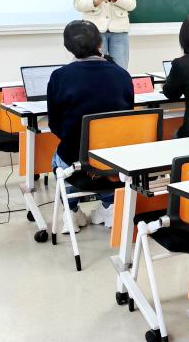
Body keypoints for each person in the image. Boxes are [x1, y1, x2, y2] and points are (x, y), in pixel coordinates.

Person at [47, 20, 134, 232]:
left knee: (59, 158)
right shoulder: (122, 74)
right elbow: (127, 116)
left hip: (76, 158)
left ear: (68, 47)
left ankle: (71, 212)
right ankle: (109, 205)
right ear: (99, 43)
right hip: (114, 157)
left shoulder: (60, 77)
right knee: (103, 154)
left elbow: (55, 124)